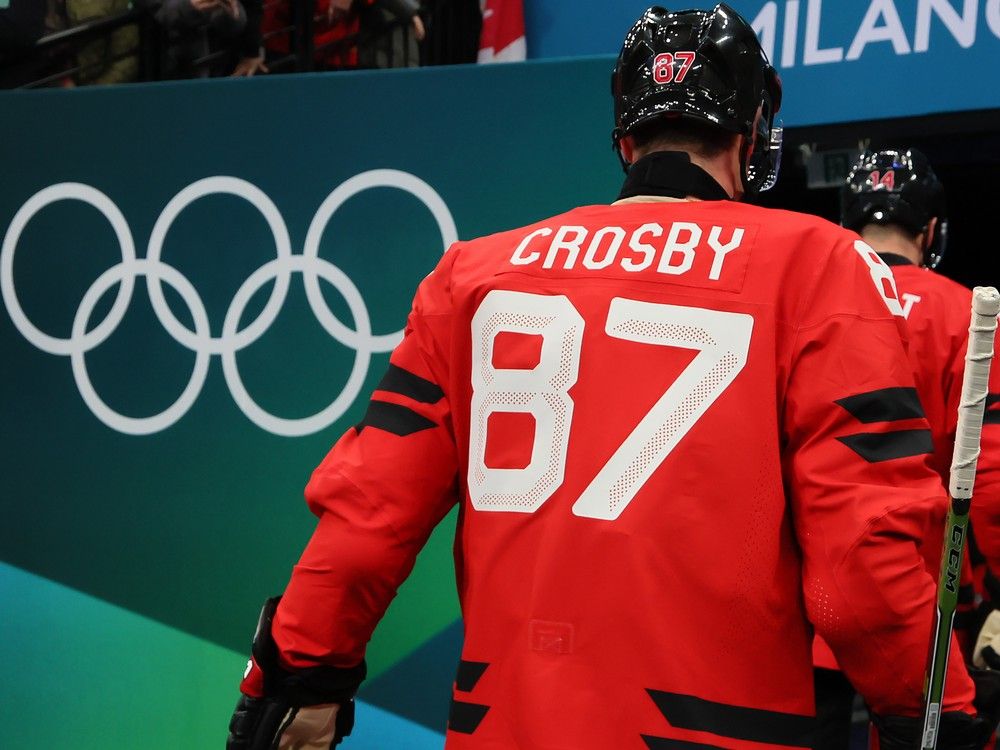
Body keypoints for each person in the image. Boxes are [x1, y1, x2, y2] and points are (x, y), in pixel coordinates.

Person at [226, 5, 998, 748]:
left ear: (625, 139)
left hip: (503, 729)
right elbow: (863, 569)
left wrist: (297, 677)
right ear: (753, 130)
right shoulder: (818, 267)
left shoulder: (474, 275)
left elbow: (366, 521)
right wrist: (938, 713)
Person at [809, 148, 1000, 748]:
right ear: (931, 230)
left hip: (811, 601)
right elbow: (990, 477)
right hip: (928, 598)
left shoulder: (808, 301)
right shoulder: (968, 311)